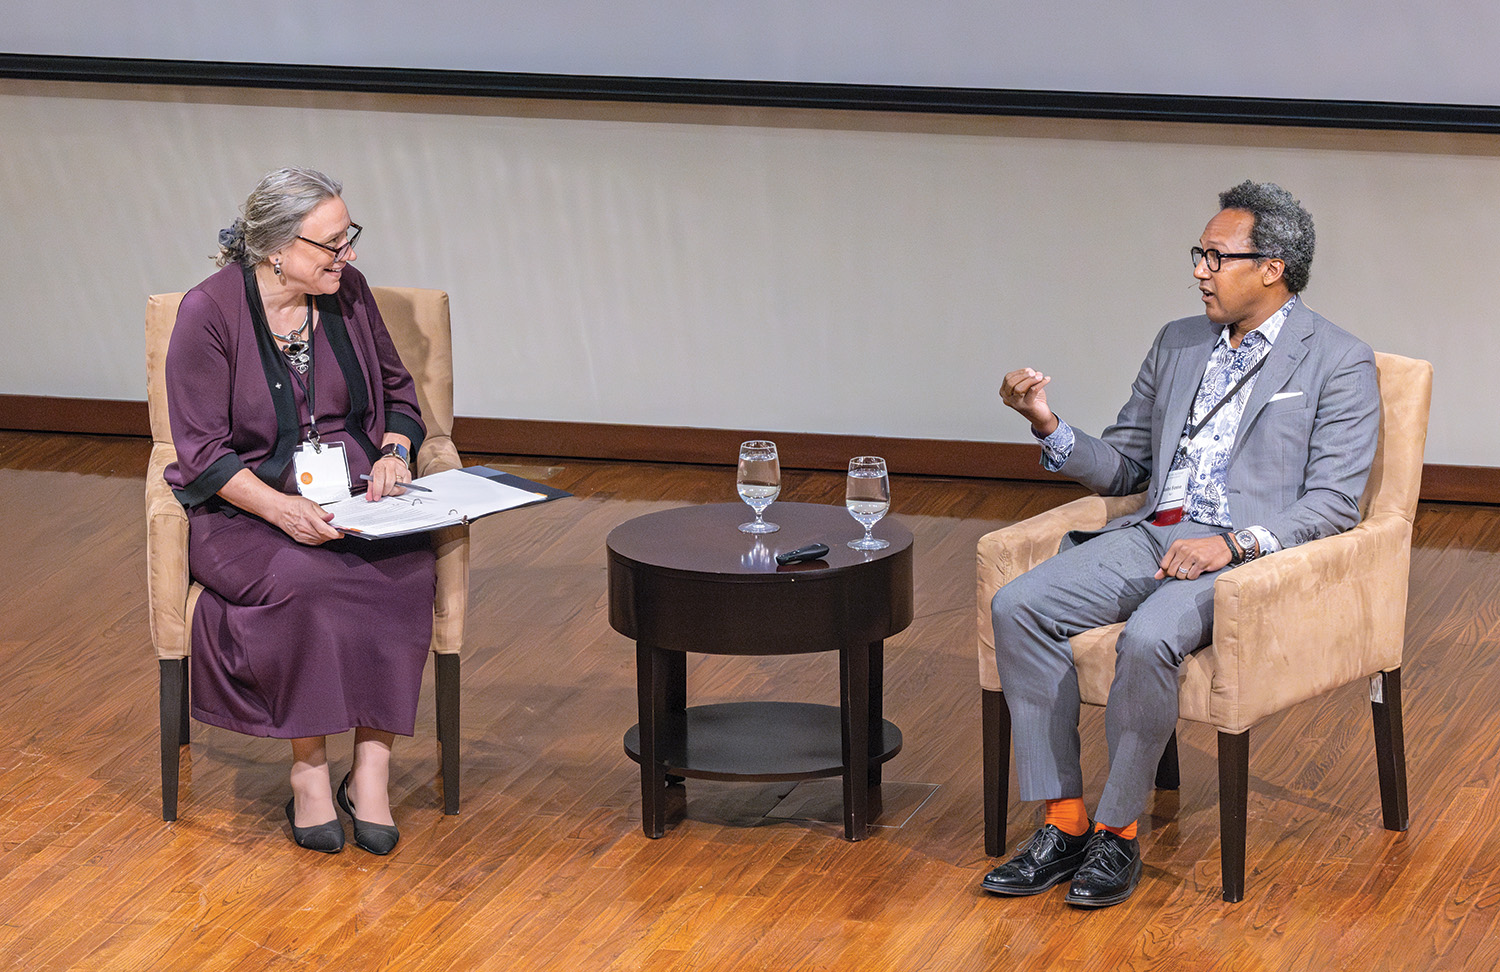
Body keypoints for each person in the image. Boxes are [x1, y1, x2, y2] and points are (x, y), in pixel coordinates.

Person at [983, 181, 1380, 907]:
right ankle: (1063, 820)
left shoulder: (1339, 361)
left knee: (1149, 637)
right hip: (1152, 534)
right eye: (1198, 253)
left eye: (1216, 256)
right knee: (1018, 606)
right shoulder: (1177, 341)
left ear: (1273, 267)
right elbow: (1131, 464)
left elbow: (1333, 503)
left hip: (1239, 561)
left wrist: (1231, 544)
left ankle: (1118, 831)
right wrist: (1048, 425)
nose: (1199, 269)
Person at [164, 167, 435, 855]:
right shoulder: (210, 312)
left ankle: (370, 772)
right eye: (332, 245)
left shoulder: (348, 295)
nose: (348, 259)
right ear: (276, 248)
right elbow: (203, 454)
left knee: (407, 569)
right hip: (244, 511)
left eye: (350, 239)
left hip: (353, 496)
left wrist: (395, 454)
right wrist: (282, 511)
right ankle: (310, 771)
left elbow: (400, 397)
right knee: (304, 584)